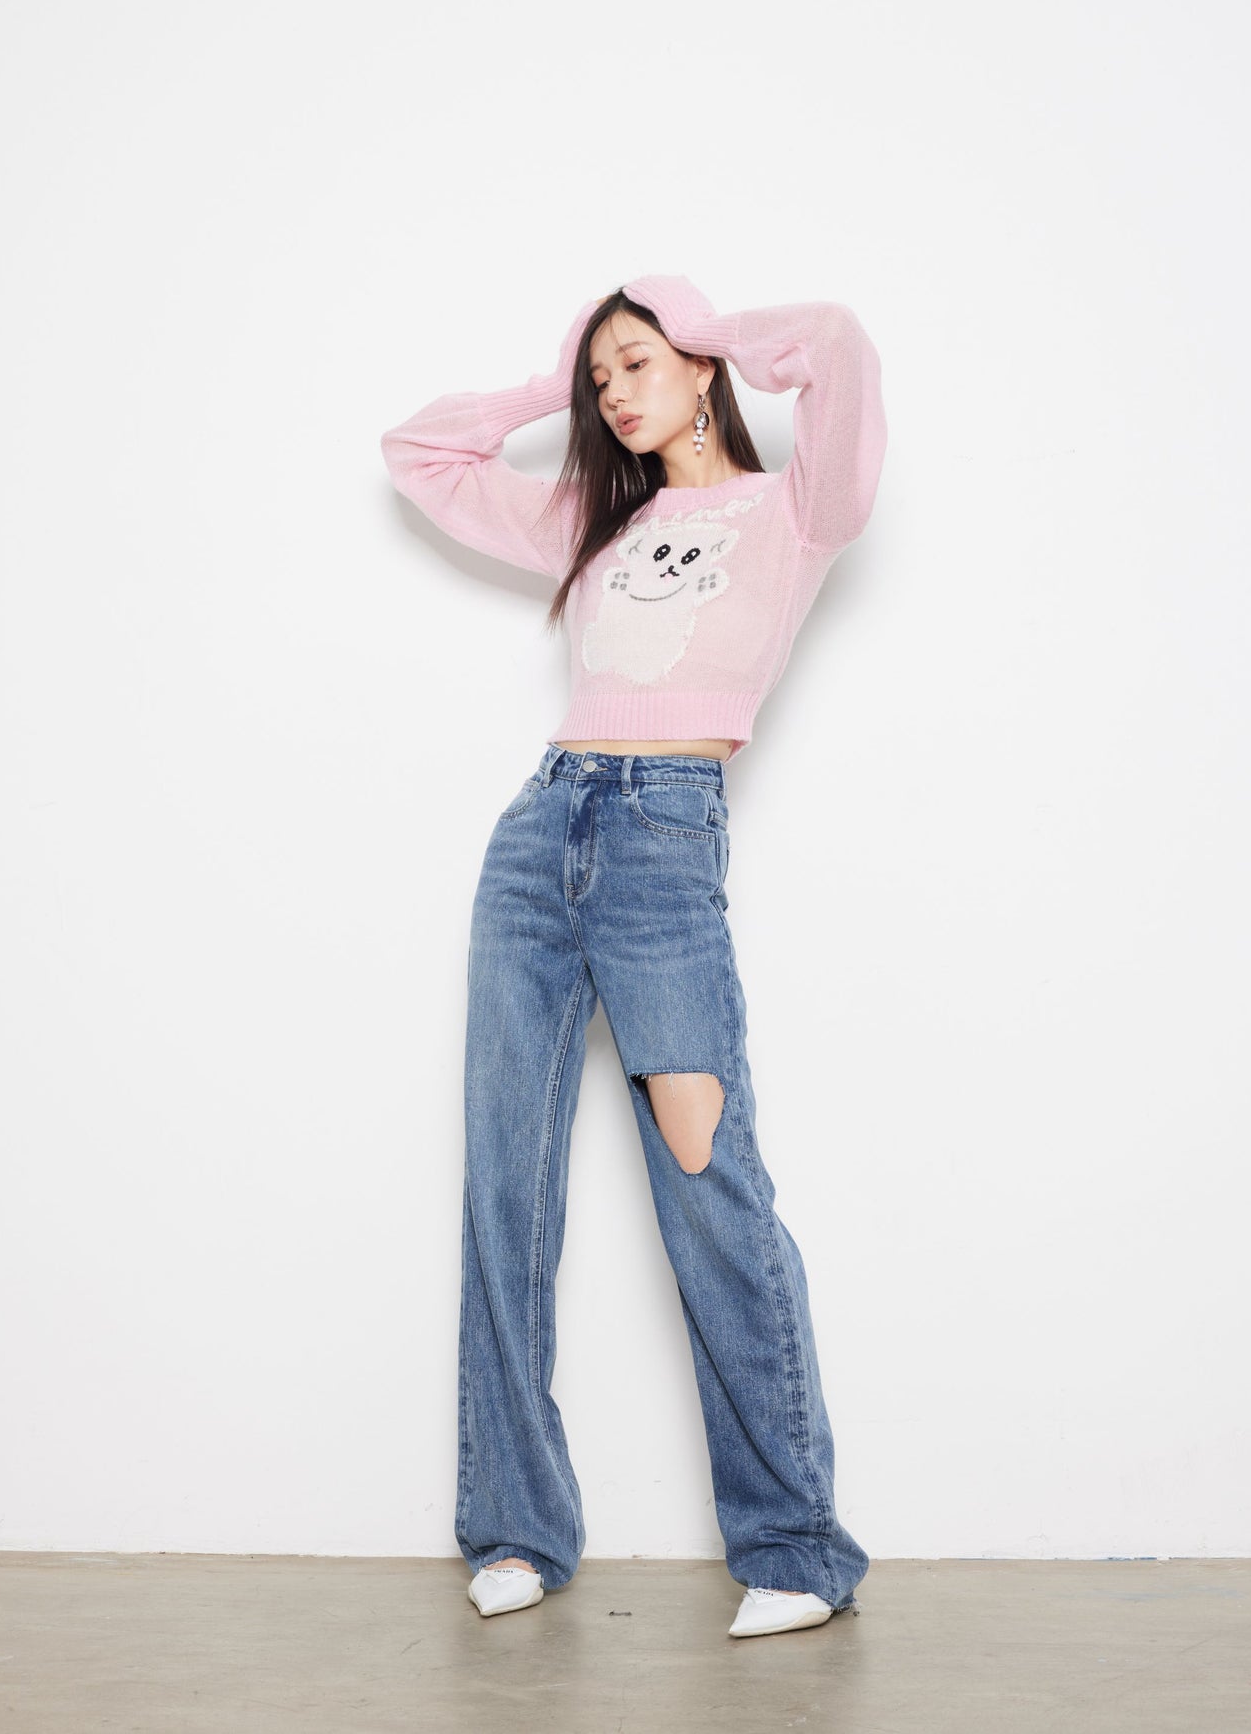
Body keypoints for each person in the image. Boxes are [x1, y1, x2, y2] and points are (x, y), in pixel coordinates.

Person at [379, 274, 888, 1639]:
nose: (613, 389)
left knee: (708, 1181)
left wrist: (707, 326)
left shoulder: (796, 509)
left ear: (703, 367)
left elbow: (836, 346)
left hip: (665, 842)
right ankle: (514, 1528)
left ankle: (793, 1546)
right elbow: (418, 453)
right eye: (599, 374)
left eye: (637, 361)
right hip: (540, 833)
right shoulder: (589, 521)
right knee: (509, 1183)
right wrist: (552, 384)